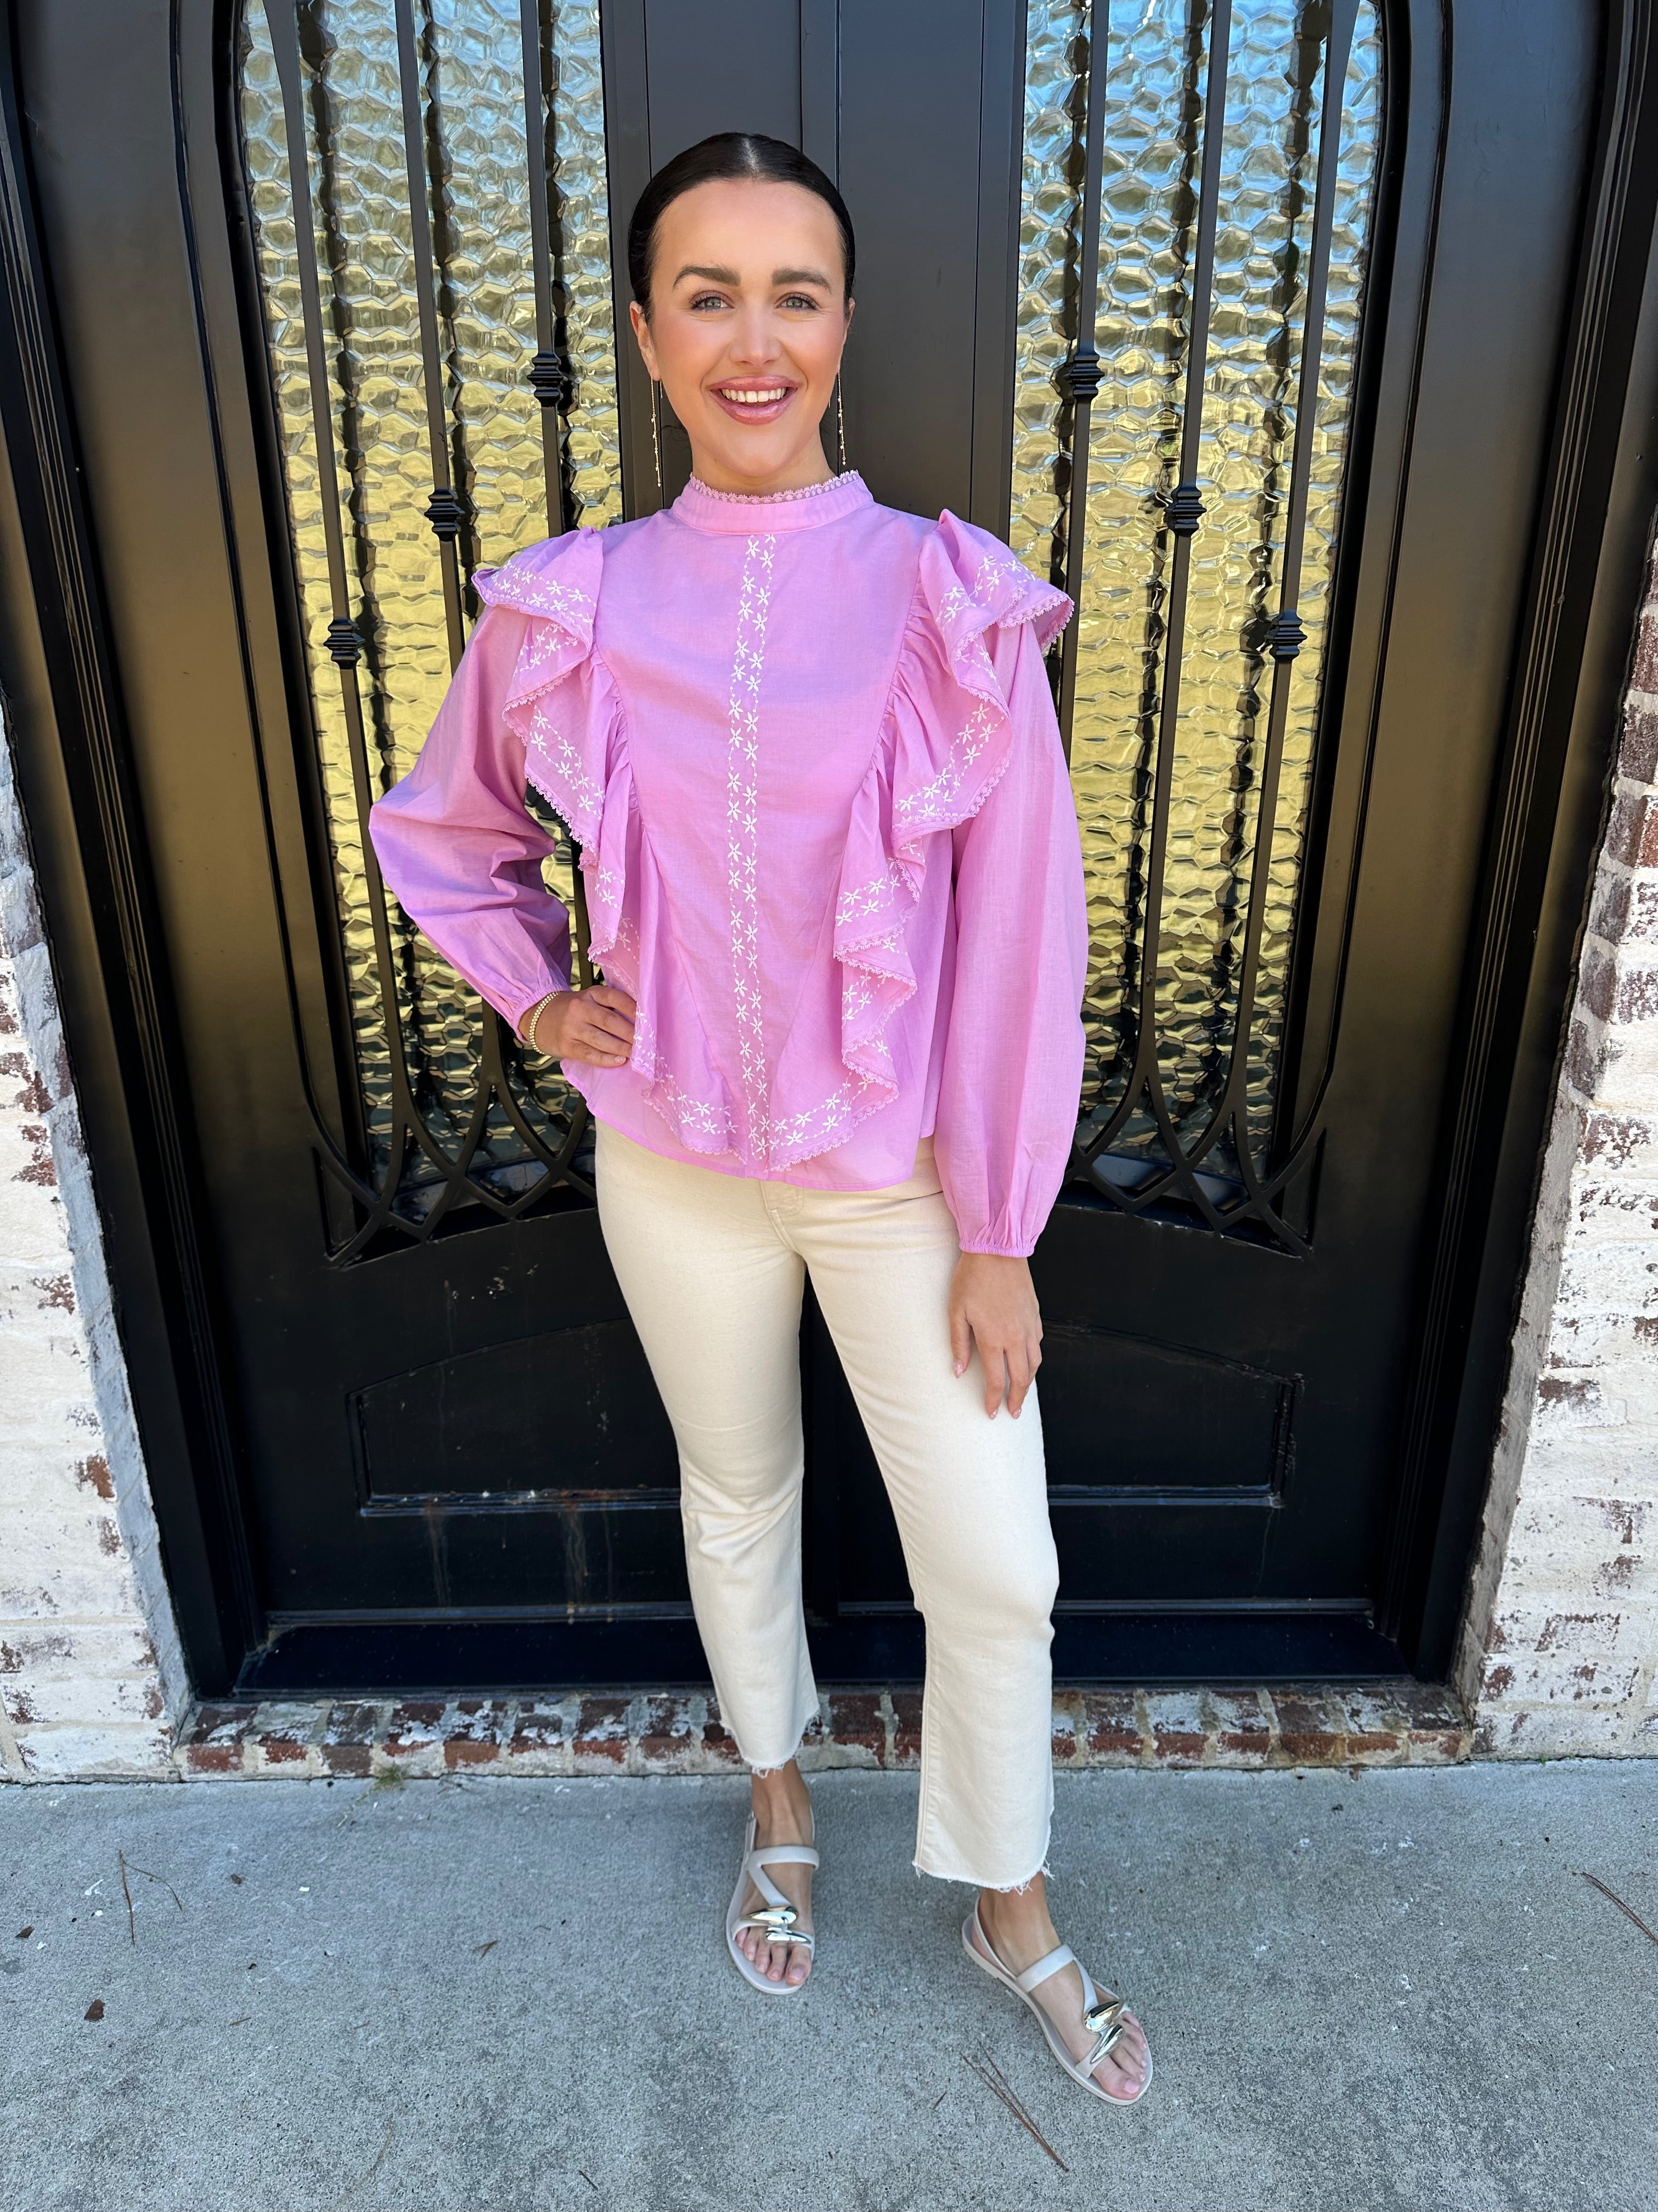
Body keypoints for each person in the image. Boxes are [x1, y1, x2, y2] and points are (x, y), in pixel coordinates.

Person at [370, 131, 1151, 2106]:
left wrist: (1000, 1227)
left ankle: (1008, 1898)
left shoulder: (945, 596)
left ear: (844, 323)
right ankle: (781, 1797)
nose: (753, 340)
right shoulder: (570, 605)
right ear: (647, 334)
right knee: (737, 1494)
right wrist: (539, 991)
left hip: (901, 1185)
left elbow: (1022, 933)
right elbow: (447, 831)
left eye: (792, 295)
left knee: (998, 1565)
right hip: (671, 1165)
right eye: (706, 295)